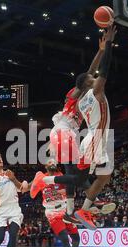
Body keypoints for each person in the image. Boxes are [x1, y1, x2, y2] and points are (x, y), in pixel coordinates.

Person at [41, 25, 118, 230]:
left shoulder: (85, 96)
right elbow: (94, 74)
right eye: (91, 79)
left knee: (95, 176)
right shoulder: (78, 95)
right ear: (85, 85)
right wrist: (106, 48)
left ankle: (73, 211)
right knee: (75, 172)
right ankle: (74, 202)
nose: (93, 78)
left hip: (77, 135)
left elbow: (89, 73)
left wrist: (100, 51)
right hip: (65, 131)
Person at [30, 159, 84, 247]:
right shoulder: (41, 178)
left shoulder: (62, 176)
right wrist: (33, 182)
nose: (53, 163)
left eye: (54, 162)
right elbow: (31, 194)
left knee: (76, 238)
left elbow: (73, 194)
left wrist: (63, 191)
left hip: (65, 209)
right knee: (64, 238)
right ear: (45, 166)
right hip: (52, 212)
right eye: (49, 162)